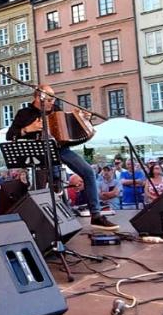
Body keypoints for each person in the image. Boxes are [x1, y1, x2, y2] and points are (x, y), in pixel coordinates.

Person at [7, 85, 118, 230]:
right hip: (37, 153)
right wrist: (27, 129)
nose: (52, 102)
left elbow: (68, 133)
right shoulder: (24, 113)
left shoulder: (57, 110)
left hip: (60, 149)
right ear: (38, 98)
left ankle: (96, 215)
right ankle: (37, 222)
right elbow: (10, 135)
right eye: (49, 99)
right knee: (41, 187)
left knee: (88, 172)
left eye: (53, 99)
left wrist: (84, 121)